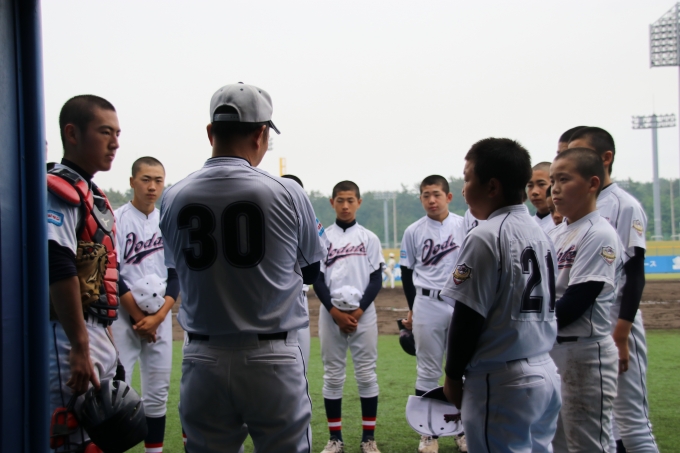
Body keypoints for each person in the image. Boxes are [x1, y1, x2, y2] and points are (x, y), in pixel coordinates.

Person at [160, 83, 325, 453]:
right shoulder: (286, 191)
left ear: (210, 133)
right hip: (272, 356)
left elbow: (178, 271)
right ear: (260, 133)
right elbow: (312, 272)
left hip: (201, 355)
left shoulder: (173, 196)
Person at [442, 138, 561, 453]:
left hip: (502, 378)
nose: (464, 189)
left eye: (468, 179)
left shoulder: (485, 235)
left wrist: (452, 376)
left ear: (492, 186)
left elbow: (467, 316)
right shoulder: (542, 233)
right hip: (545, 370)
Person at [567, 127, 659, 453]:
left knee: (631, 423)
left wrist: (622, 334)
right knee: (601, 425)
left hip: (619, 321)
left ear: (605, 158)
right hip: (589, 328)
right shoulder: (576, 210)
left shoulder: (623, 204)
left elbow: (635, 274)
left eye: (579, 151)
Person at [47, 95, 122, 452]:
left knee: (95, 441)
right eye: (105, 132)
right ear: (72, 134)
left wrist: (107, 344)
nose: (115, 143)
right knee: (68, 438)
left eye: (117, 134)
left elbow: (101, 282)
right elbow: (57, 262)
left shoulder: (92, 192)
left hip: (92, 331)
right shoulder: (58, 188)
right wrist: (80, 345)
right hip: (66, 335)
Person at [548, 147, 623, 452]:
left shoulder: (599, 233)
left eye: (564, 179)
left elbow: (577, 302)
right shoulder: (556, 234)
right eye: (553, 180)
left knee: (588, 445)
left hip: (584, 352)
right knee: (556, 443)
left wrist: (526, 327)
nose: (554, 188)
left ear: (593, 183)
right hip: (553, 348)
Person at [112, 156, 179, 453]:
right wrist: (140, 317)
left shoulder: (167, 222)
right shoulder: (116, 219)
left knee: (157, 393)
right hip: (123, 316)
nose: (152, 186)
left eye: (158, 180)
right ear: (132, 182)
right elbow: (112, 273)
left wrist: (159, 317)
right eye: (146, 179)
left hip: (160, 318)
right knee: (118, 391)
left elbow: (175, 275)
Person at [313, 181, 384, 453]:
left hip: (362, 313)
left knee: (366, 374)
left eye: (350, 200)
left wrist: (358, 311)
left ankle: (368, 439)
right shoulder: (323, 238)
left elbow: (376, 279)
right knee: (332, 375)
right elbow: (317, 278)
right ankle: (335, 439)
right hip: (330, 313)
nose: (345, 206)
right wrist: (334, 312)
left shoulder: (369, 237)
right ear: (332, 202)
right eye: (340, 200)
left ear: (359, 202)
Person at [399, 175, 466, 453]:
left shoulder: (465, 225)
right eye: (426, 195)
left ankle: (462, 430)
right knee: (427, 369)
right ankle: (428, 433)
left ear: (448, 197)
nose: (431, 200)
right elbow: (406, 272)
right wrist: (413, 307)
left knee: (463, 368)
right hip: (426, 301)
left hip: (460, 301)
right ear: (421, 199)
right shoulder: (413, 230)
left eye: (436, 194)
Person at [527, 162, 554, 233]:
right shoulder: (525, 226)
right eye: (530, 186)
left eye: (541, 184)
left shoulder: (563, 223)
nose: (534, 192)